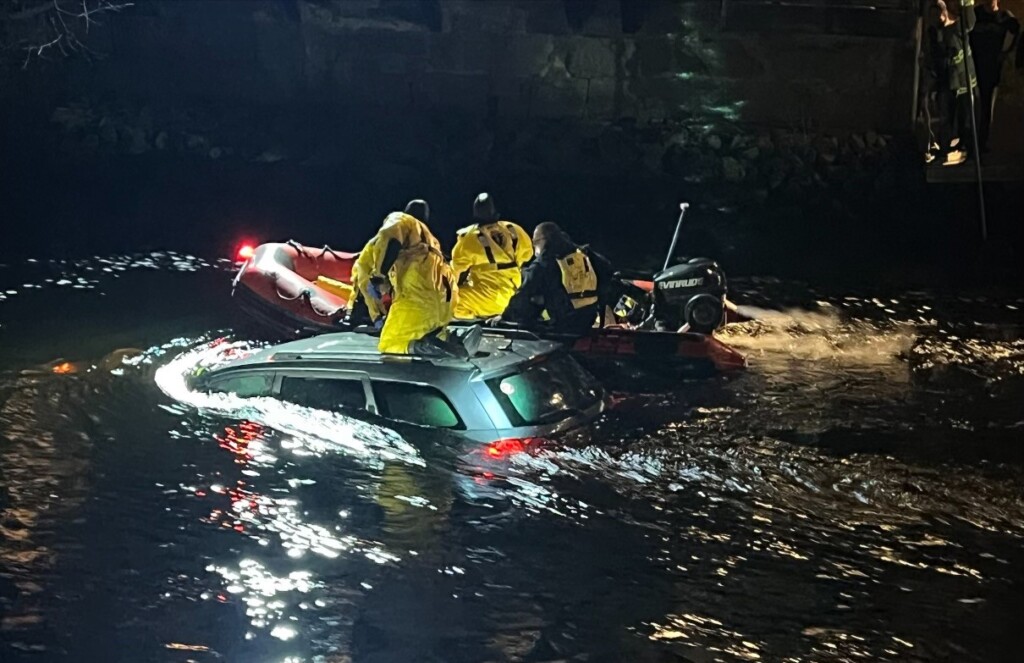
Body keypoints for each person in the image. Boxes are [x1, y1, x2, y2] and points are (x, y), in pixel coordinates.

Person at [350, 200, 468, 356]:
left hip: (417, 294)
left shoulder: (401, 219)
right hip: (446, 299)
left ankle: (429, 346)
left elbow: (390, 239)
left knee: (389, 343)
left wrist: (378, 278)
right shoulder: (430, 241)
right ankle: (453, 338)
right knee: (426, 331)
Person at [493, 222, 613, 336]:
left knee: (533, 298)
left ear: (544, 240)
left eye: (535, 242)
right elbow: (607, 269)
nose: (534, 247)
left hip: (563, 325)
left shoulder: (544, 263)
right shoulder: (583, 253)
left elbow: (524, 293)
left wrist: (504, 317)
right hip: (588, 319)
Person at [450, 193, 534, 320]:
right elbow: (527, 256)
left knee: (449, 301)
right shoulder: (514, 229)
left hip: (488, 298)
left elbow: (454, 272)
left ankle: (476, 321)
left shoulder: (469, 238)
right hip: (513, 295)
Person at [929, 0, 980, 165]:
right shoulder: (935, 34)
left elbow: (970, 22)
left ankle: (970, 154)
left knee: (967, 119)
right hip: (946, 84)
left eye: (937, 13)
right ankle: (944, 152)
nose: (936, 18)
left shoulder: (959, 28)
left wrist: (967, 2)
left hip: (965, 83)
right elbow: (932, 59)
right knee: (945, 120)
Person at [970, 0, 1021, 151]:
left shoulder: (1004, 17)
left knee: (986, 106)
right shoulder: (976, 14)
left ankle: (981, 143)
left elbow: (1016, 31)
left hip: (992, 68)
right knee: (973, 106)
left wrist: (1007, 52)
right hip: (974, 65)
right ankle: (969, 141)